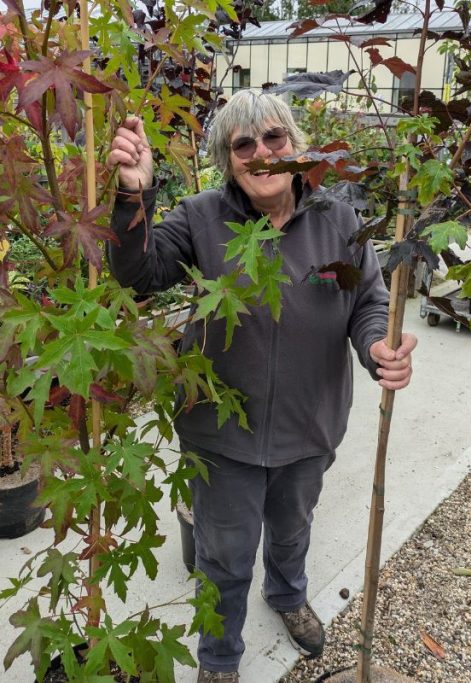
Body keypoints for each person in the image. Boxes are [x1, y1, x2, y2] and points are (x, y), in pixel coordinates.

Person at [106, 90, 416, 683]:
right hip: (221, 433)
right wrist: (132, 195)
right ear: (228, 160)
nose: (261, 152)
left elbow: (368, 301)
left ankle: (288, 595)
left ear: (295, 146)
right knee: (222, 552)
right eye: (242, 144)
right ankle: (220, 657)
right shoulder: (200, 217)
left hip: (310, 422)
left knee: (294, 525)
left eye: (274, 137)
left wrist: (378, 348)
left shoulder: (339, 218)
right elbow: (138, 273)